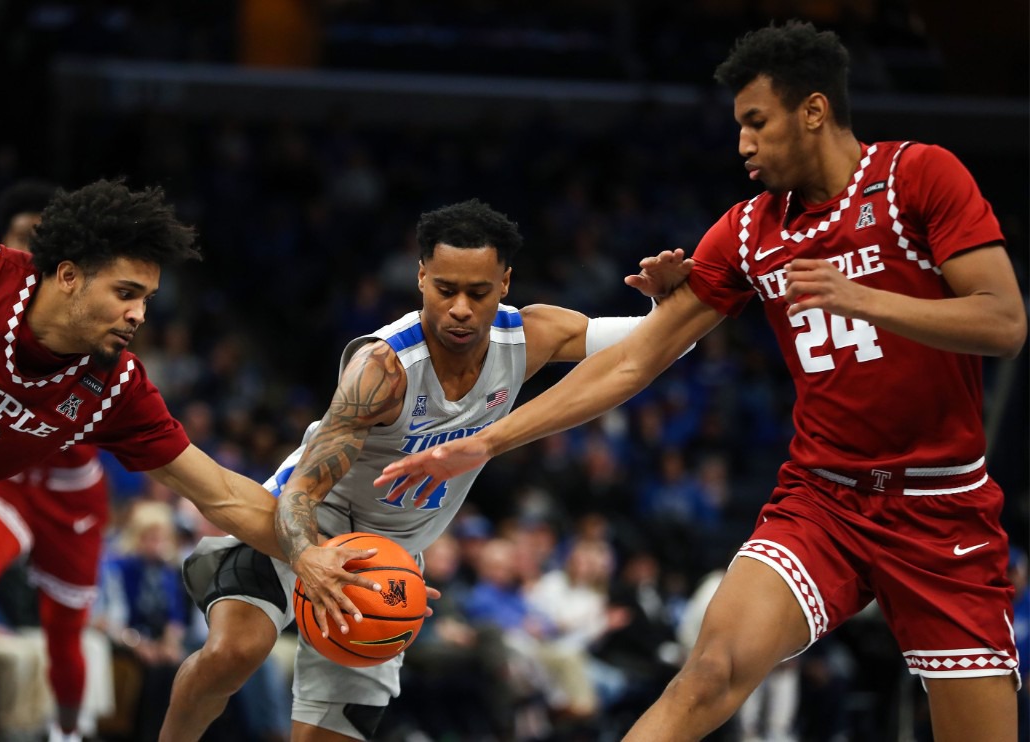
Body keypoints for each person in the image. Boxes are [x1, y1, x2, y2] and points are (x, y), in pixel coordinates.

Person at [376, 20, 1027, 742]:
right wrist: (487, 440)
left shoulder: (919, 175)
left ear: (813, 110)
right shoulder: (748, 231)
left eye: (756, 122)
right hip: (826, 502)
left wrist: (862, 296)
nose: (743, 143)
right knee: (709, 670)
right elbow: (632, 360)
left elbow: (1004, 322)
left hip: (941, 509)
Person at [0, 178, 375, 741]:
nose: (139, 314)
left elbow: (221, 493)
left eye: (147, 300)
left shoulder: (112, 390)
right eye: (125, 293)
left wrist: (313, 552)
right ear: (68, 276)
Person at [159, 198, 692, 741]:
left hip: (385, 557)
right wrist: (307, 557)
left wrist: (669, 304)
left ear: (505, 283)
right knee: (234, 652)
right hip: (303, 526)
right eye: (445, 289)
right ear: (420, 278)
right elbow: (302, 491)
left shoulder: (532, 336)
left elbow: (663, 345)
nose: (460, 307)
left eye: (478, 292)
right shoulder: (383, 370)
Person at [0, 180, 108, 742]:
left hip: (69, 493)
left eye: (44, 240)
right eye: (20, 237)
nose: (32, 251)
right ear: (0, 240)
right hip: (5, 479)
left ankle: (65, 733)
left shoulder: (93, 311)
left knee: (65, 633)